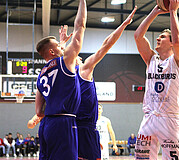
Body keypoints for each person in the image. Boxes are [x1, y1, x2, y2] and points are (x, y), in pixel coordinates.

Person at [74, 6, 137, 160]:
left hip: (73, 128)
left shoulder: (67, 74)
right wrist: (123, 25)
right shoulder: (81, 69)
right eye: (78, 56)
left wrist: (122, 26)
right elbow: (106, 45)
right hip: (83, 128)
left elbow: (106, 43)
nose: (80, 58)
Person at [134, 0, 179, 159]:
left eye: (162, 37)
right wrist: (155, 12)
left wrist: (173, 11)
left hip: (169, 120)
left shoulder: (178, 61)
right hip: (149, 118)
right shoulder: (151, 59)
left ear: (171, 44)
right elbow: (138, 36)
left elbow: (178, 40)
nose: (158, 39)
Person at [35, 0, 86, 159]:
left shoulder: (41, 75)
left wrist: (60, 44)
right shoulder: (65, 62)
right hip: (64, 123)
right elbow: (80, 26)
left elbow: (38, 112)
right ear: (52, 51)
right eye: (59, 45)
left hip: (46, 126)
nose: (62, 46)